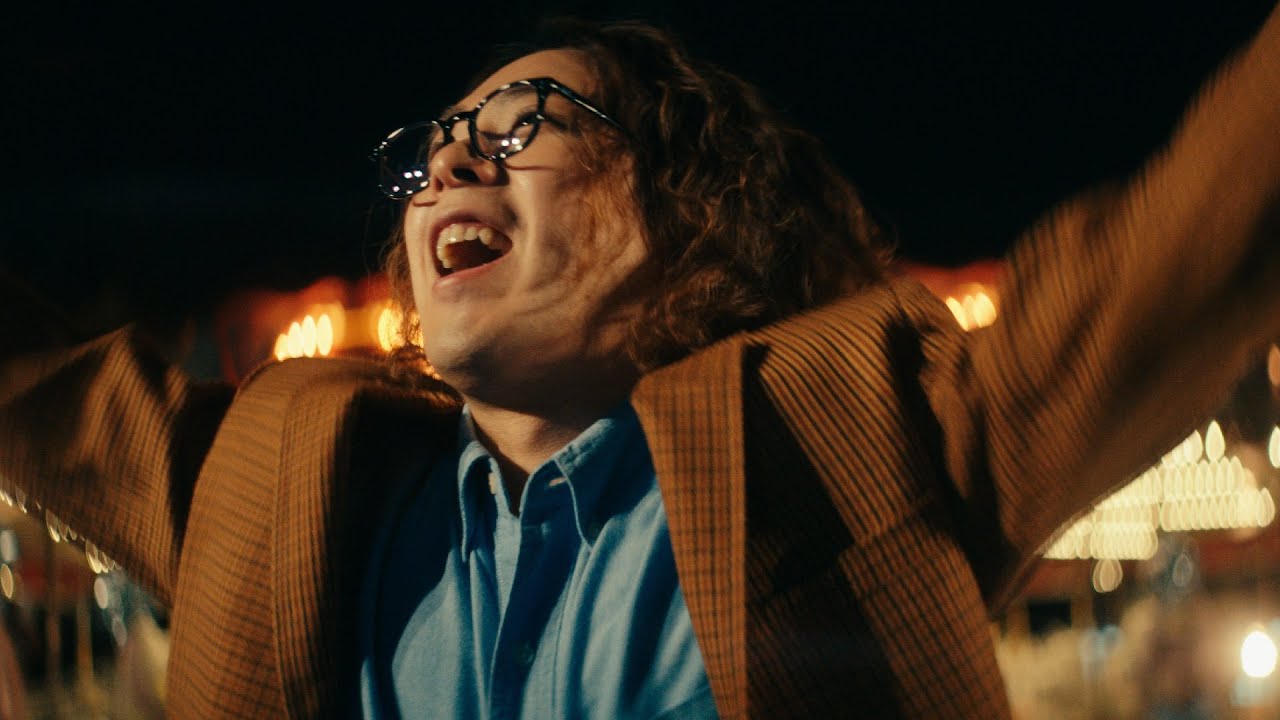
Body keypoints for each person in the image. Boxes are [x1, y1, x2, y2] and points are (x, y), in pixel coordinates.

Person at [2, 8, 1279, 720]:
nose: (447, 164)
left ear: (683, 209)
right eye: (431, 150)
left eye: (523, 127)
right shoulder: (271, 477)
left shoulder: (853, 429)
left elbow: (1202, 233)